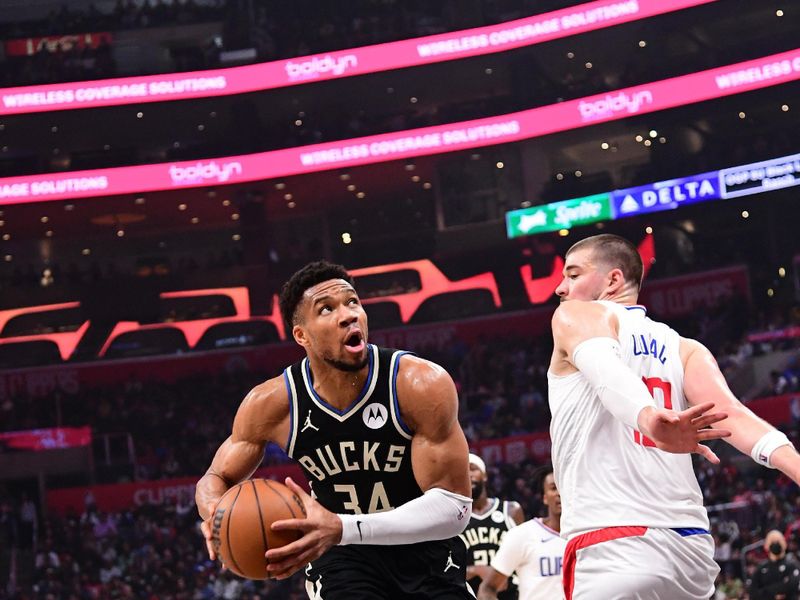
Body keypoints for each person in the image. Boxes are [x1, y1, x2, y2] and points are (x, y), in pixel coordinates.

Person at [195, 260, 475, 598]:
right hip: (342, 560)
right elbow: (215, 477)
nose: (348, 315)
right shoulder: (273, 402)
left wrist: (343, 527)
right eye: (326, 309)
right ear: (302, 335)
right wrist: (215, 513)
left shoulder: (418, 384)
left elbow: (454, 509)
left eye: (352, 302)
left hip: (423, 548)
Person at [547, 233, 800, 600]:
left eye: (572, 275)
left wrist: (650, 419)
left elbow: (606, 371)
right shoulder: (684, 347)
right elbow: (735, 417)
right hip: (690, 549)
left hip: (613, 538)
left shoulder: (575, 314)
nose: (560, 288)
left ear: (613, 279)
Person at [478, 464, 566, 600]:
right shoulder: (523, 535)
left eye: (564, 486)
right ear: (544, 498)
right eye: (554, 488)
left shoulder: (590, 534)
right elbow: (487, 589)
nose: (560, 493)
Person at [460, 453, 524, 598]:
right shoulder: (455, 518)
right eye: (463, 471)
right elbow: (447, 568)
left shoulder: (511, 510)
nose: (468, 474)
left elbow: (524, 554)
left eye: (472, 468)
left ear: (485, 475)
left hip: (510, 594)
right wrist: (476, 570)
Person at [747, 530, 800, 600]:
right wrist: (773, 594)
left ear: (783, 543)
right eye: (772, 541)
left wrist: (766, 589)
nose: (775, 543)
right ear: (767, 544)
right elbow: (753, 593)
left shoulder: (792, 565)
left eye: (778, 541)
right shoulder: (761, 569)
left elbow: (794, 584)